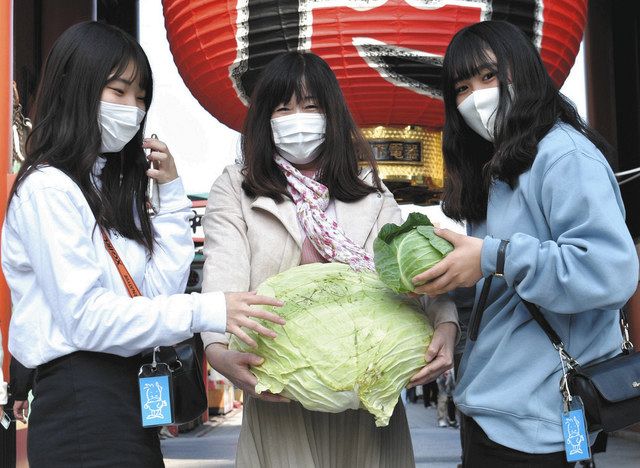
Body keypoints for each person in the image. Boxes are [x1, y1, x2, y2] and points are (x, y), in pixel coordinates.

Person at [1, 21, 284, 467]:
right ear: (76, 88)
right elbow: (87, 320)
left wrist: (171, 197)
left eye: (141, 97)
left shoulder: (105, 188)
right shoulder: (49, 189)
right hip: (81, 399)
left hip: (125, 395)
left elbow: (154, 295)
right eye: (118, 91)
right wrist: (209, 309)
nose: (133, 109)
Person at [201, 51, 459, 467]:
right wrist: (217, 352)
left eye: (310, 106)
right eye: (282, 108)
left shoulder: (371, 193)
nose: (296, 118)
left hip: (369, 398)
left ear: (331, 115)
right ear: (264, 120)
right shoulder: (238, 188)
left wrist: (446, 324)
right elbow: (222, 278)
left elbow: (416, 276)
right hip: (279, 395)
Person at [412, 21, 638, 467]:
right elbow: (492, 291)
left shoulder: (563, 155)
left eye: (489, 76)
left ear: (523, 73)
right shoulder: (495, 172)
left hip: (543, 424)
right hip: (489, 412)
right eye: (461, 87)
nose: (475, 96)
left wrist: (493, 255)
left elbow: (609, 270)